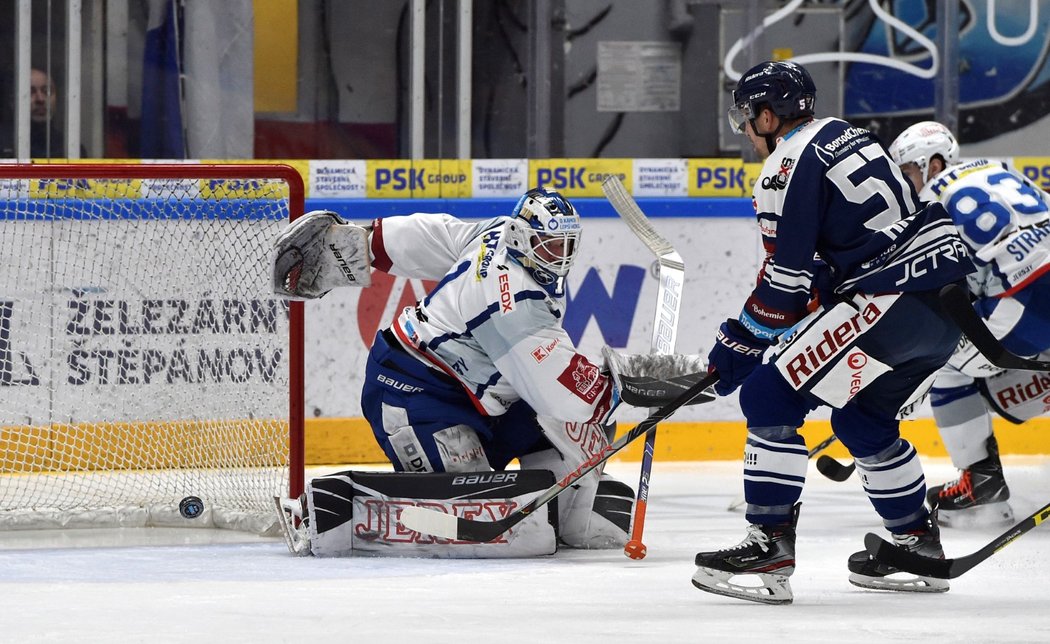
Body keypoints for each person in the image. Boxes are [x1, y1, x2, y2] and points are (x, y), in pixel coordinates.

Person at [271, 188, 707, 556]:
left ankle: (568, 506)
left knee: (571, 454)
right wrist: (653, 383)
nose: (560, 257)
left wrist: (364, 243)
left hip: (490, 394)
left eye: (567, 246)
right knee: (480, 511)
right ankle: (339, 508)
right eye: (550, 247)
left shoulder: (499, 232)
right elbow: (567, 394)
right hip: (414, 391)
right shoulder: (513, 303)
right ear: (523, 238)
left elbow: (434, 236)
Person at [691, 61, 976, 604]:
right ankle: (917, 545)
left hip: (888, 302)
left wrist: (737, 344)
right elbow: (839, 259)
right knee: (862, 421)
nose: (746, 132)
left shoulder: (783, 165)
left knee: (769, 394)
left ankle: (769, 545)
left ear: (769, 116)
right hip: (943, 313)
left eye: (747, 119)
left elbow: (787, 283)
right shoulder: (851, 135)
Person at [888, 120, 1050, 528]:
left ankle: (981, 486)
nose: (907, 183)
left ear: (934, 163)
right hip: (1035, 290)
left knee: (942, 360)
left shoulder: (931, 204)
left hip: (1031, 301)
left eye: (909, 171)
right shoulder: (1001, 170)